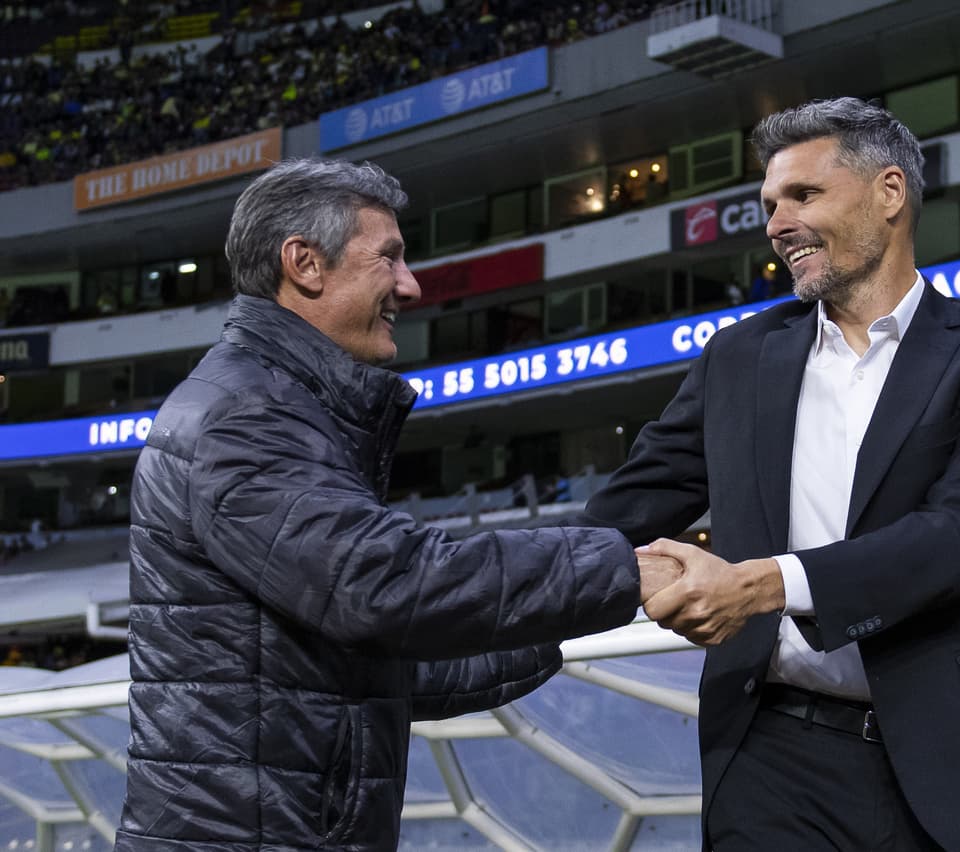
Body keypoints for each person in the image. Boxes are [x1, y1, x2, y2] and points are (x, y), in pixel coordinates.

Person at [116, 158, 677, 850]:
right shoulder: (248, 414)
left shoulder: (270, 401)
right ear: (305, 264)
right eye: (390, 258)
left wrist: (568, 613)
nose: (409, 286)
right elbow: (381, 581)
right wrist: (620, 570)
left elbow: (386, 668)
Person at [579, 98, 960, 850]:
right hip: (768, 753)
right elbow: (622, 510)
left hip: (944, 758)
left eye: (804, 196)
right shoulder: (737, 357)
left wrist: (767, 584)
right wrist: (487, 585)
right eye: (770, 204)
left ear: (891, 193)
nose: (777, 224)